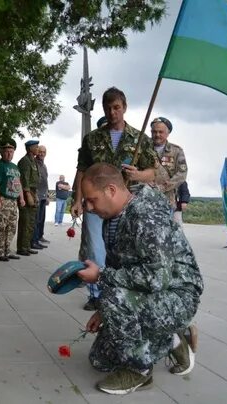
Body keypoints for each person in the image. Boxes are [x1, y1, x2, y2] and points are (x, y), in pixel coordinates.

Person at [75, 163, 204, 395]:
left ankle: (139, 372)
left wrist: (101, 278)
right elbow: (121, 269)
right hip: (148, 293)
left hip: (176, 295)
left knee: (114, 298)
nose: (90, 208)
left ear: (111, 190)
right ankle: (171, 339)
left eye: (93, 199)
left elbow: (157, 278)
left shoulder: (146, 216)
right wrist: (103, 311)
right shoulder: (112, 218)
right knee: (100, 360)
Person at [71, 87, 158, 311]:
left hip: (126, 205)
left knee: (121, 251)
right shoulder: (92, 139)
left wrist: (137, 174)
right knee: (94, 248)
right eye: (108, 108)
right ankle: (96, 295)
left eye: (116, 107)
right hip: (95, 204)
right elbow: (81, 171)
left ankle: (119, 292)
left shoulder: (139, 139)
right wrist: (77, 199)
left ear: (124, 108)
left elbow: (154, 172)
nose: (112, 112)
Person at [0, 138, 26, 261]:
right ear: (1, 152)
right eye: (6, 151)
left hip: (13, 200)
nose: (9, 154)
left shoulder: (15, 167)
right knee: (1, 227)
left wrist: (21, 198)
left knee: (11, 227)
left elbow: (18, 183)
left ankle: (7, 250)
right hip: (3, 198)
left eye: (11, 151)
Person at [151, 117, 188, 211]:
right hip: (146, 200)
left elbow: (182, 174)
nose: (157, 135)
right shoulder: (143, 148)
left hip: (167, 201)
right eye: (154, 132)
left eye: (161, 132)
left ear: (168, 133)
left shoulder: (176, 151)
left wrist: (163, 187)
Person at [16, 139, 41, 256]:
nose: (38, 149)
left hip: (33, 192)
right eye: (36, 147)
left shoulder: (34, 161)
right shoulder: (25, 161)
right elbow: (23, 179)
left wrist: (34, 195)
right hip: (26, 193)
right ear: (30, 148)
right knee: (25, 221)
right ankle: (21, 248)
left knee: (31, 222)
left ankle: (27, 246)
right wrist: (28, 195)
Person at [32, 145, 51, 245]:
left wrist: (47, 195)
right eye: (40, 151)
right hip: (37, 195)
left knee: (42, 218)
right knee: (36, 219)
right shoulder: (34, 163)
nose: (41, 154)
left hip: (43, 195)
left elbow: (45, 181)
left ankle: (40, 236)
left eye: (43, 152)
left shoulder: (44, 165)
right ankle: (34, 239)